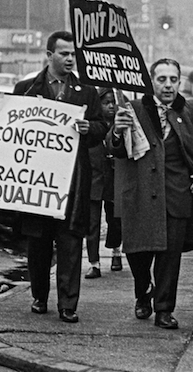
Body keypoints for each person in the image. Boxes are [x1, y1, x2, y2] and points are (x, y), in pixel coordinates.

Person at [107, 58, 193, 329]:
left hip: (176, 196)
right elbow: (113, 148)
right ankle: (142, 290)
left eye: (173, 79)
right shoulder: (132, 110)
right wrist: (117, 130)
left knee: (169, 257)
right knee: (137, 253)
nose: (168, 86)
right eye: (162, 79)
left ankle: (163, 309)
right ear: (151, 82)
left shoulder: (192, 112)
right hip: (138, 194)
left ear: (180, 81)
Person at [13, 31, 107, 323]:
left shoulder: (86, 92)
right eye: (64, 53)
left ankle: (68, 304)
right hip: (37, 182)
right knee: (38, 243)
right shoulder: (26, 89)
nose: (69, 59)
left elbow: (102, 126)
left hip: (73, 183)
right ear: (49, 55)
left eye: (72, 54)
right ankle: (40, 296)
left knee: (70, 244)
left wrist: (88, 129)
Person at [85, 87, 123, 279]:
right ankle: (94, 263)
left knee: (115, 220)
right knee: (91, 223)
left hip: (114, 180)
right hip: (94, 180)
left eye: (113, 102)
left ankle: (116, 253)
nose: (110, 106)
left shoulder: (119, 127)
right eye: (105, 102)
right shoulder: (94, 127)